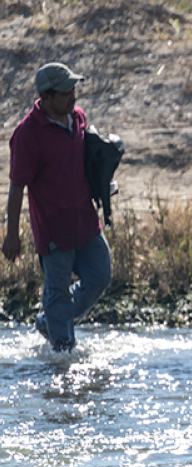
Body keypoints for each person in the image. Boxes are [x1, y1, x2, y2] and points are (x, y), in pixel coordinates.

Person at [3, 62, 111, 352]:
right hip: (53, 229)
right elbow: (16, 188)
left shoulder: (77, 117)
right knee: (57, 290)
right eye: (66, 92)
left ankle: (50, 322)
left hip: (85, 220)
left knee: (101, 275)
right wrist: (11, 234)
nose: (73, 96)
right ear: (46, 97)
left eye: (74, 89)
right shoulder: (26, 135)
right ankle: (63, 352)